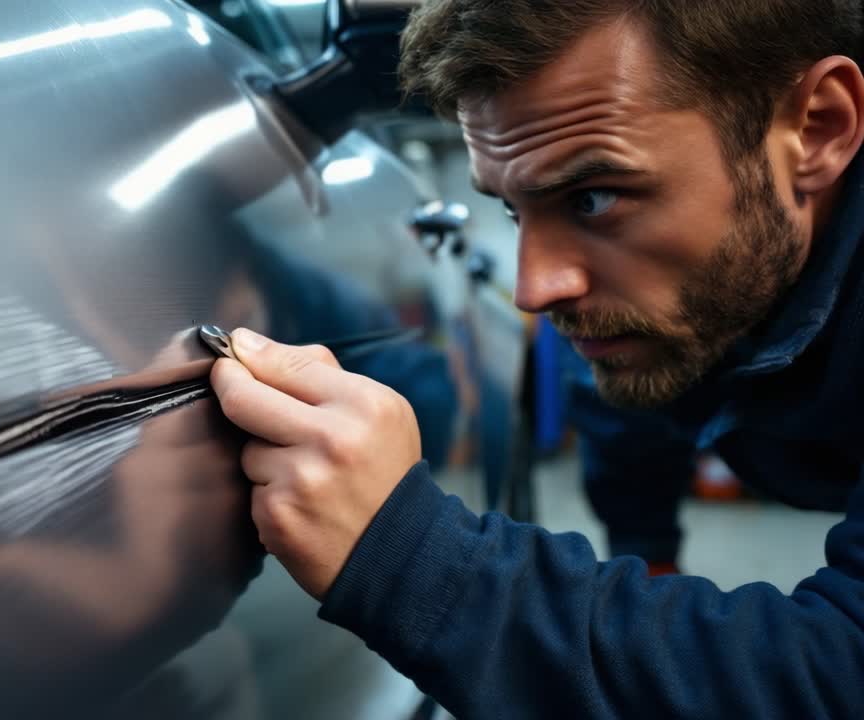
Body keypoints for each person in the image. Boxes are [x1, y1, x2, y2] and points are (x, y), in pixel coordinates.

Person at [208, 0, 864, 716]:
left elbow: (839, 678)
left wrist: (412, 560)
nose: (533, 289)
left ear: (819, 128)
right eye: (516, 212)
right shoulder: (659, 305)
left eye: (595, 197)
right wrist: (647, 563)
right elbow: (628, 411)